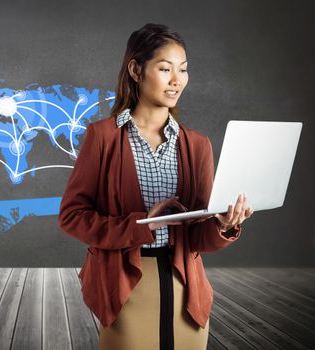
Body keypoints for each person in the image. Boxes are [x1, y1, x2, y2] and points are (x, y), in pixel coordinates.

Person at [57, 23, 254, 350]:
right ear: (136, 69)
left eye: (184, 70)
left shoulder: (198, 145)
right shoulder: (104, 137)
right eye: (165, 69)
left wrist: (223, 224)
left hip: (185, 285)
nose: (177, 79)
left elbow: (198, 237)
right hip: (125, 284)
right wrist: (140, 224)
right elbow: (72, 217)